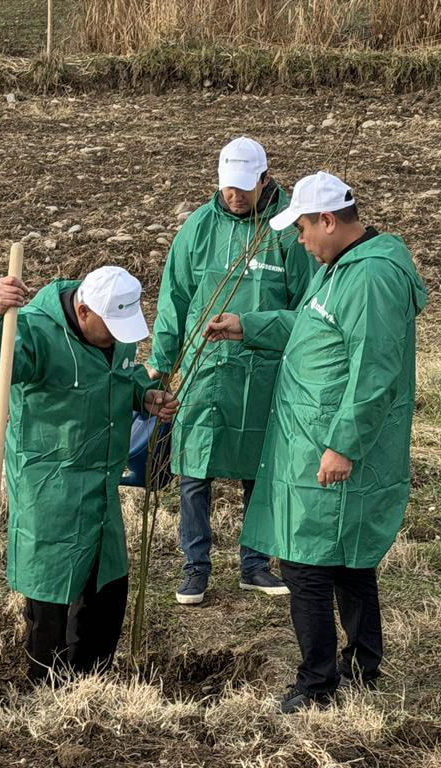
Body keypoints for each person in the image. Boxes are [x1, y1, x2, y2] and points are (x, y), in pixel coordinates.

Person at [206, 171, 426, 713]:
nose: (299, 240)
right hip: (310, 436)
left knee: (305, 563)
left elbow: (375, 370)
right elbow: (312, 328)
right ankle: (363, 663)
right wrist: (246, 326)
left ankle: (316, 684)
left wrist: (343, 445)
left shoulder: (371, 278)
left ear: (328, 220)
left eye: (303, 228)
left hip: (329, 441)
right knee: (346, 558)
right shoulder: (339, 268)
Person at [0, 266, 177, 682]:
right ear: (83, 310)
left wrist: (142, 395)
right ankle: (46, 683)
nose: (116, 338)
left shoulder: (115, 332)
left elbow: (120, 378)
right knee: (51, 589)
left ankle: (91, 679)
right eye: (110, 330)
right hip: (50, 482)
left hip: (102, 480)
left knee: (107, 585)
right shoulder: (35, 330)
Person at [147, 136, 316, 606]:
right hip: (204, 369)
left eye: (243, 186)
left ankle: (255, 563)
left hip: (264, 371)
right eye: (227, 186)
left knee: (259, 467)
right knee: (193, 467)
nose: (234, 195)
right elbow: (174, 300)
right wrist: (162, 365)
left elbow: (306, 306)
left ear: (265, 179)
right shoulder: (198, 228)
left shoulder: (288, 233)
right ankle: (195, 565)